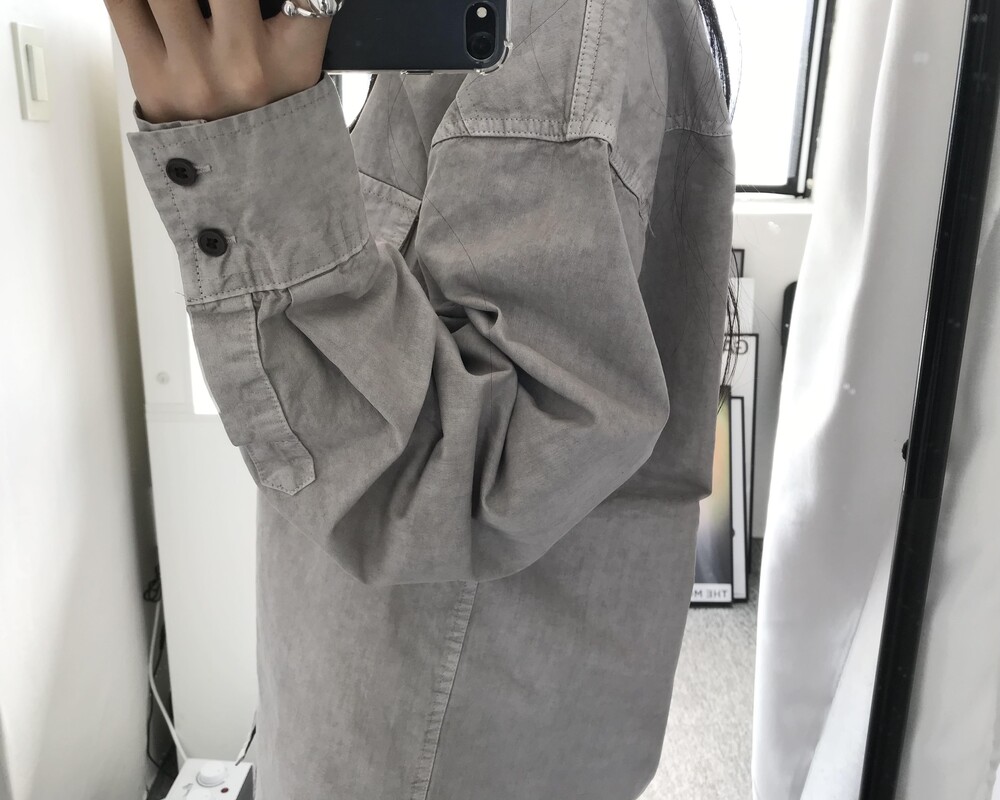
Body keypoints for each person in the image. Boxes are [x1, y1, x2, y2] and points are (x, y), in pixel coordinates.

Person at [107, 0, 735, 796]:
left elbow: (479, 483)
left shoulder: (552, 21)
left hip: (425, 737)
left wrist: (251, 167)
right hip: (431, 698)